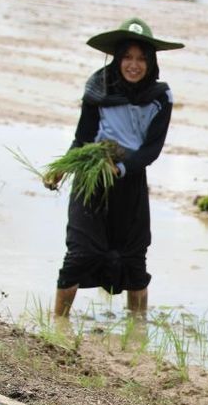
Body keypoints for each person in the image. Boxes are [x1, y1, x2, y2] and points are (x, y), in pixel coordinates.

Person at [49, 18, 182, 317]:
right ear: (117, 58)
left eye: (140, 59)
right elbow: (83, 137)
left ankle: (138, 330)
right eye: (127, 57)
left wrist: (121, 168)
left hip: (130, 181)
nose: (133, 65)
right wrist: (63, 167)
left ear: (151, 62)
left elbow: (152, 149)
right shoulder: (98, 88)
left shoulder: (161, 97)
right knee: (79, 255)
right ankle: (57, 325)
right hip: (91, 177)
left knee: (134, 260)